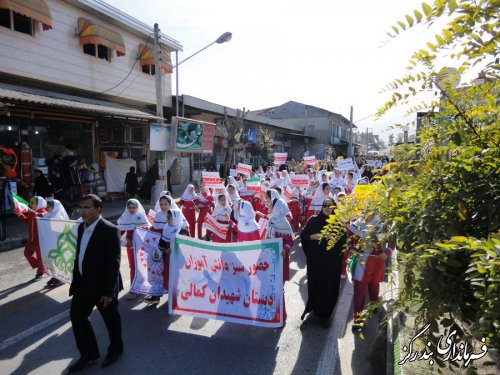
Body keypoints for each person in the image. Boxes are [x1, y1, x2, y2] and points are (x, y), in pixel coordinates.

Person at [68, 194, 123, 372]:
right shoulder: (81, 228)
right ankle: (89, 353)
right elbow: (81, 255)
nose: (82, 211)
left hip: (103, 287)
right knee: (77, 317)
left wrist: (109, 291)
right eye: (80, 208)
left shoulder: (110, 229)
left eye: (86, 208)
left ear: (98, 210)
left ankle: (115, 350)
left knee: (111, 321)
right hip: (83, 285)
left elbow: (114, 262)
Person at [300, 198, 346, 328]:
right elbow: (303, 235)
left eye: (329, 205)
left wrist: (333, 238)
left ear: (334, 207)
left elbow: (344, 243)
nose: (326, 207)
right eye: (324, 205)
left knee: (328, 288)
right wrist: (313, 237)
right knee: (316, 285)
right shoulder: (313, 220)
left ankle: (326, 315)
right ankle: (315, 310)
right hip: (315, 263)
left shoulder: (338, 223)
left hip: (331, 265)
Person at [117, 199, 150, 300]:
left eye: (133, 207)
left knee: (143, 266)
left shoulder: (143, 217)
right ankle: (134, 289)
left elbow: (148, 232)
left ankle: (144, 285)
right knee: (133, 267)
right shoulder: (125, 217)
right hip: (131, 246)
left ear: (137, 207)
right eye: (129, 208)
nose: (131, 210)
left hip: (142, 247)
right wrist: (120, 239)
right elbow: (120, 232)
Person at [16, 196, 47, 281]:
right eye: (31, 203)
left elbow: (39, 216)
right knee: (27, 253)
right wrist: (20, 214)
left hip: (40, 239)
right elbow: (27, 221)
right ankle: (41, 267)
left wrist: (29, 210)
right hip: (31, 239)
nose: (31, 204)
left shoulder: (43, 212)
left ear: (39, 204)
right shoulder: (32, 213)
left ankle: (41, 272)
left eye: (33, 203)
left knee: (40, 256)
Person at [43, 199, 70, 288]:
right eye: (47, 207)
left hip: (58, 243)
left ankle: (61, 279)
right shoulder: (47, 215)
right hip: (50, 241)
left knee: (57, 260)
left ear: (55, 207)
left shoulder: (59, 217)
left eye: (50, 207)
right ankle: (55, 276)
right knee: (51, 259)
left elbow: (60, 230)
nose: (48, 208)